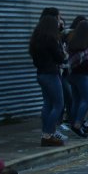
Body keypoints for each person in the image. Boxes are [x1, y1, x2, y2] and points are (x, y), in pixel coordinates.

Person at [29, 15, 66, 147]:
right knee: (58, 104)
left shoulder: (36, 40)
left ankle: (46, 132)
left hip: (41, 74)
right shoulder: (51, 40)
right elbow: (60, 58)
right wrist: (63, 53)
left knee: (48, 104)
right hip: (51, 74)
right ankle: (48, 134)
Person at [67, 19, 88, 138]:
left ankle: (74, 122)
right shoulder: (86, 45)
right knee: (87, 99)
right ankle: (78, 124)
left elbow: (72, 60)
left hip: (72, 74)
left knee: (76, 99)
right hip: (81, 75)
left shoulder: (73, 42)